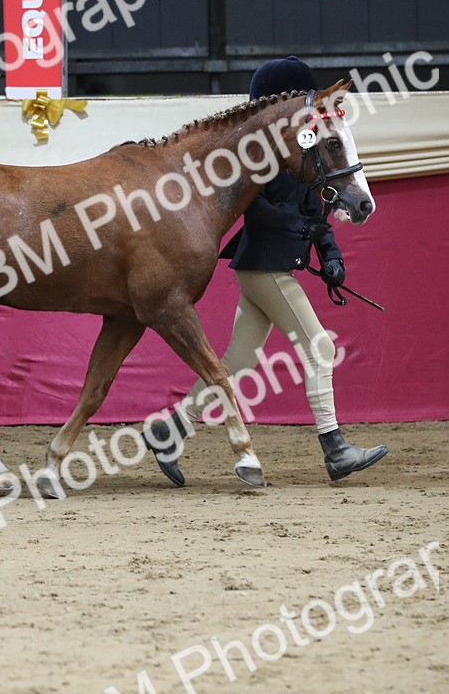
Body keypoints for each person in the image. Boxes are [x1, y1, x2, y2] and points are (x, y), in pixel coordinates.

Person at [144, 56, 387, 486]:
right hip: (265, 266)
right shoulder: (261, 160)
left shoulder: (308, 157)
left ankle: (170, 430)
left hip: (272, 267)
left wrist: (331, 255)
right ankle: (335, 448)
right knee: (319, 348)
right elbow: (257, 210)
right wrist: (303, 228)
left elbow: (320, 211)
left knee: (237, 360)